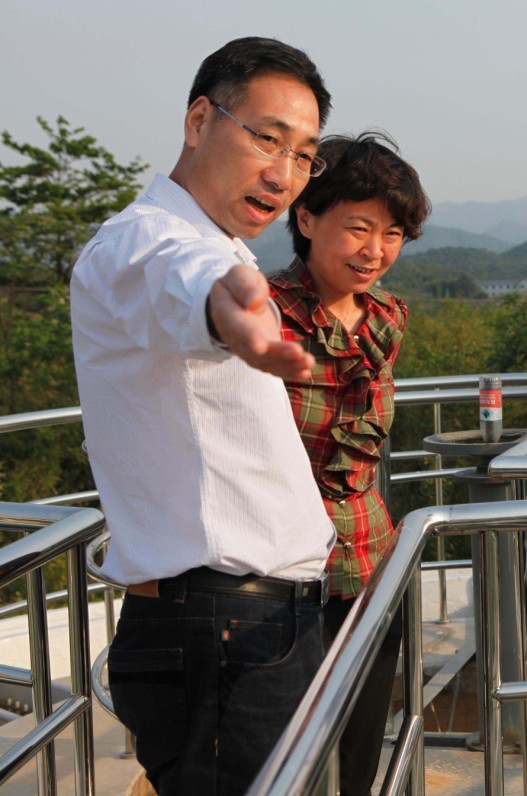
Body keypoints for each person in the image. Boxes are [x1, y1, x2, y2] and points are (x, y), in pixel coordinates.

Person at [71, 37, 336, 794]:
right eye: (267, 138)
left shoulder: (216, 245)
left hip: (248, 627)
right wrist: (231, 311)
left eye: (304, 155)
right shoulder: (147, 241)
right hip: (221, 633)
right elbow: (185, 281)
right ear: (198, 121)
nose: (283, 174)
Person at [268, 131, 430, 796]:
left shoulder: (387, 317)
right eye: (358, 228)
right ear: (306, 218)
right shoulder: (262, 315)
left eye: (392, 233)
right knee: (284, 752)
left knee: (361, 748)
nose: (375, 250)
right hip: (279, 572)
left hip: (369, 561)